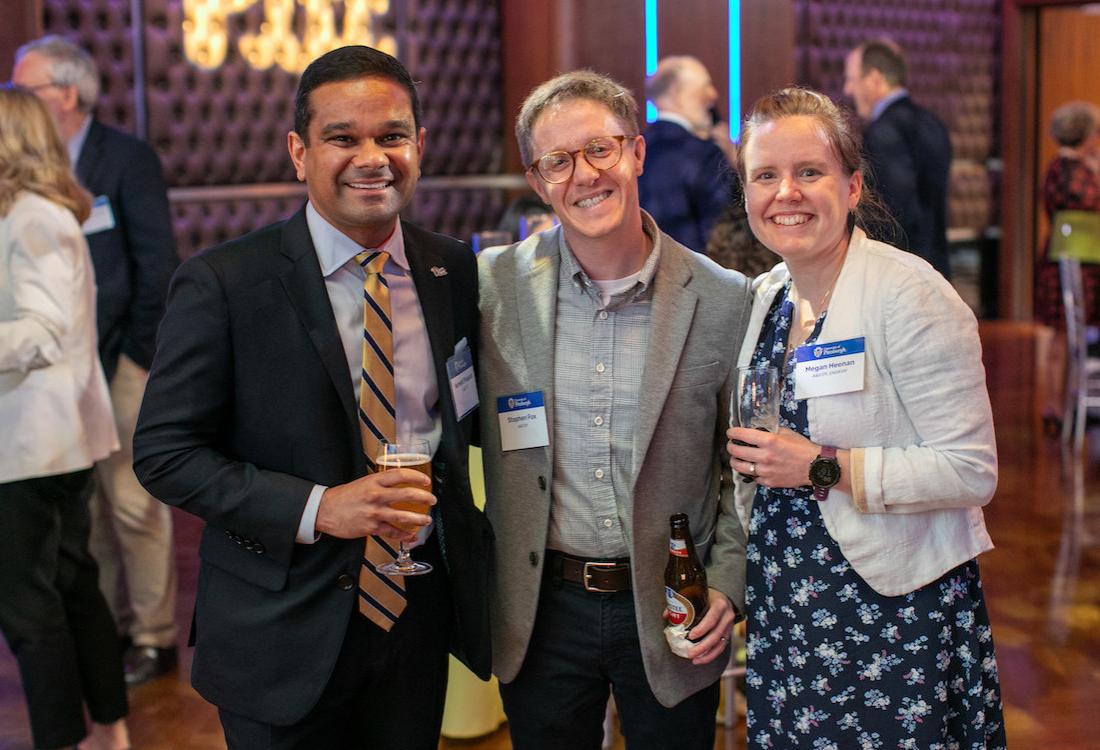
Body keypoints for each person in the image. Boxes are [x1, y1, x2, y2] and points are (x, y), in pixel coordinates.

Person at [132, 45, 491, 748]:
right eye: (342, 138)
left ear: (419, 144)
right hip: (280, 628)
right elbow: (164, 454)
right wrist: (320, 508)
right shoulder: (225, 282)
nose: (373, 157)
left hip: (416, 617)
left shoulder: (452, 267)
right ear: (299, 152)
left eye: (392, 135)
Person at [478, 70, 751, 749]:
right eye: (558, 161)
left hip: (673, 603)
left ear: (636, 152)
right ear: (538, 181)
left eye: (600, 149)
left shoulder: (723, 300)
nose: (584, 175)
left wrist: (728, 585)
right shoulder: (492, 288)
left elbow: (744, 468)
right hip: (542, 606)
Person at [727, 86, 1005, 749]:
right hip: (790, 600)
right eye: (766, 175)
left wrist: (823, 466)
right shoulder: (767, 296)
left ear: (852, 187)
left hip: (888, 606)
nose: (785, 192)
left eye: (809, 172)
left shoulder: (910, 295)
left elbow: (972, 471)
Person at [12, 35, 180, 685]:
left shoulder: (125, 159)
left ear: (67, 95)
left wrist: (136, 358)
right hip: (62, 376)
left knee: (134, 505)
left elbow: (156, 267)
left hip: (123, 364)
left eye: (24, 90)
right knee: (88, 512)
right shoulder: (29, 170)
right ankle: (106, 627)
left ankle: (156, 638)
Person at [0, 86, 130, 750]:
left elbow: (41, 331)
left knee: (30, 609)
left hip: (32, 445)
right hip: (46, 441)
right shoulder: (36, 213)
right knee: (73, 588)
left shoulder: (31, 217)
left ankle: (70, 737)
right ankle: (108, 731)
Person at [843, 39, 953, 279]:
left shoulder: (885, 131)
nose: (847, 90)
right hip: (937, 264)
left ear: (874, 78)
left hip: (904, 273)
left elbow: (894, 212)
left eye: (852, 79)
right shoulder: (933, 123)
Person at [1032, 101, 1100, 433]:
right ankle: (1056, 405)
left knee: (1065, 337)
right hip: (1073, 262)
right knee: (1062, 336)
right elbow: (1086, 202)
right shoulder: (1069, 169)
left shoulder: (1069, 166)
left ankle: (1070, 401)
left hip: (1073, 260)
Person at [639, 56, 734, 253]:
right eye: (705, 87)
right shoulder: (705, 154)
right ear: (675, 93)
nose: (713, 95)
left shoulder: (633, 153)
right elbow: (727, 233)